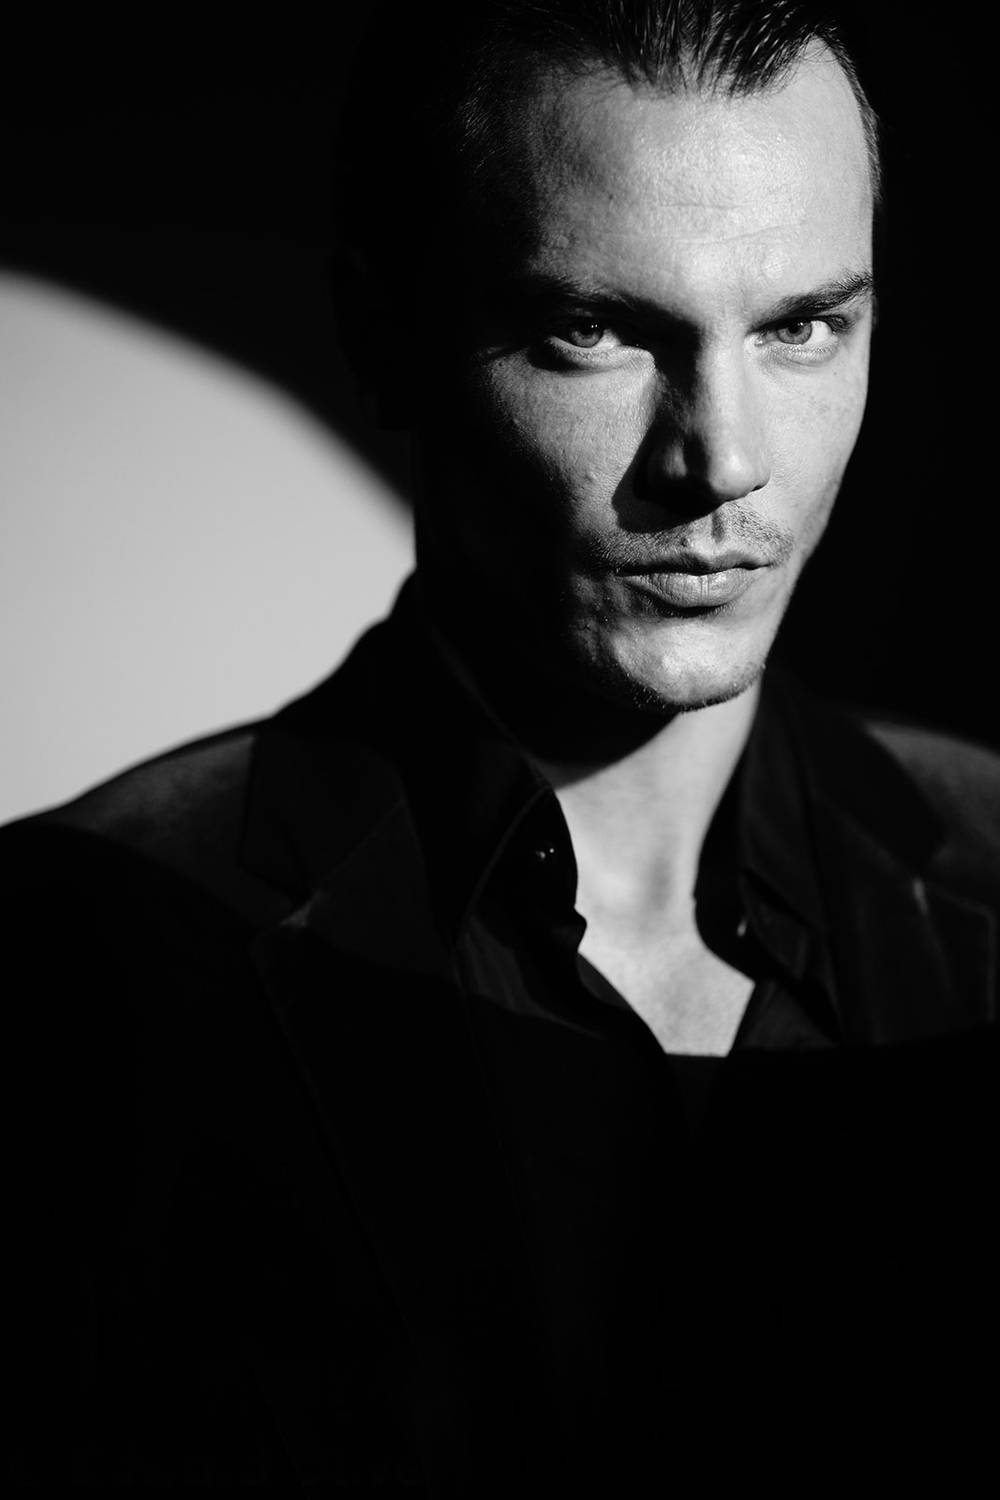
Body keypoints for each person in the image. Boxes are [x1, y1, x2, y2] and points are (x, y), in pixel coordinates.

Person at [5, 0, 999, 1489]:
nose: (724, 462)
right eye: (594, 332)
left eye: (802, 327)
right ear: (381, 339)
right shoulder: (79, 965)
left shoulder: (990, 886)